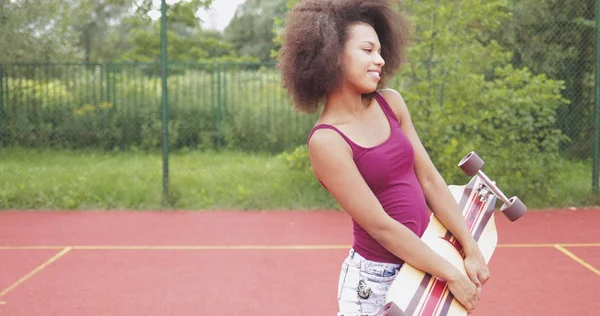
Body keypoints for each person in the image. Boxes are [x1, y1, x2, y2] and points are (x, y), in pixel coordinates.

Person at [277, 0, 490, 315]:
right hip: (376, 282)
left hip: (425, 261)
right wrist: (450, 273)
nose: (380, 60)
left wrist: (470, 248)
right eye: (367, 51)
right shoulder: (327, 141)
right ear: (332, 55)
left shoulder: (391, 104)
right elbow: (380, 226)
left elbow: (430, 180)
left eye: (380, 51)